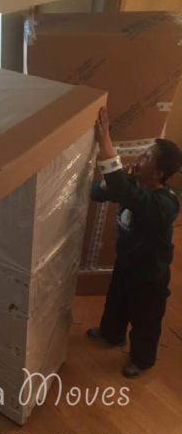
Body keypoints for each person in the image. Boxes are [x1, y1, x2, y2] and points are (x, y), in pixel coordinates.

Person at [87, 106, 182, 378]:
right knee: (116, 301)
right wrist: (106, 185)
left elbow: (125, 193)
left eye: (147, 157)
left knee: (146, 319)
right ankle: (111, 334)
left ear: (158, 173)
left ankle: (141, 359)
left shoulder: (164, 204)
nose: (140, 159)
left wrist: (106, 141)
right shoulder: (136, 186)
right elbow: (97, 193)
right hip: (127, 261)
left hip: (150, 274)